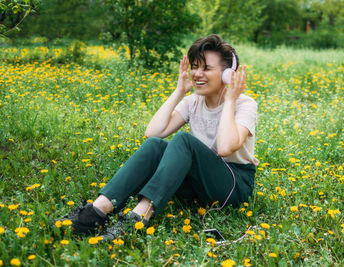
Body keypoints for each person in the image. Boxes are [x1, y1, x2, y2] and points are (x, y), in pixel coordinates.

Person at [51, 34, 258, 242]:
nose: (197, 74)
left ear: (227, 74)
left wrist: (230, 99)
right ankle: (96, 212)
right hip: (199, 184)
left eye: (206, 68)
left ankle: (139, 217)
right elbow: (153, 132)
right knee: (155, 145)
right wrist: (179, 91)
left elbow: (225, 148)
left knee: (183, 140)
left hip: (233, 187)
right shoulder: (193, 102)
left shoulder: (244, 104)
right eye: (195, 66)